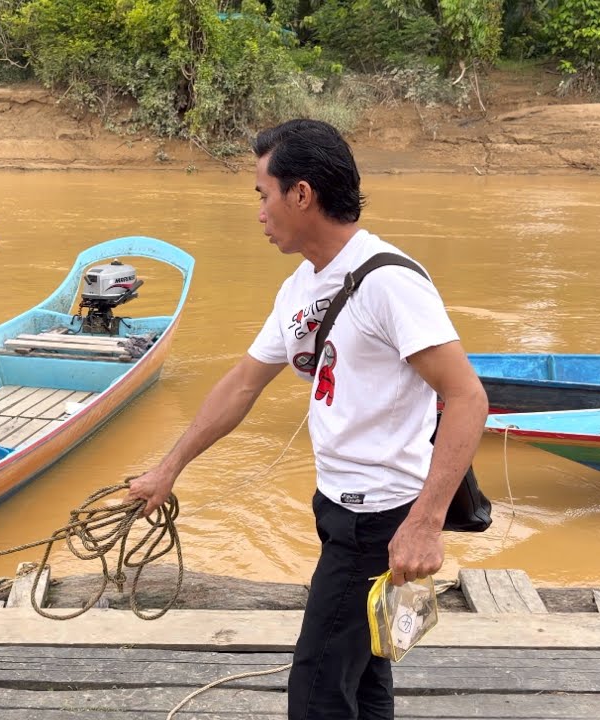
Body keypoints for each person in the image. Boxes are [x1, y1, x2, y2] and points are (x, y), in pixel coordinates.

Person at [127, 119, 488, 720]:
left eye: (263, 194)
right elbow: (243, 383)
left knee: (317, 690)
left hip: (380, 517)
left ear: (301, 194)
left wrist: (425, 524)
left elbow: (467, 397)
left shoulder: (389, 282)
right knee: (364, 673)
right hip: (336, 506)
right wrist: (168, 469)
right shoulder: (300, 287)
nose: (259, 212)